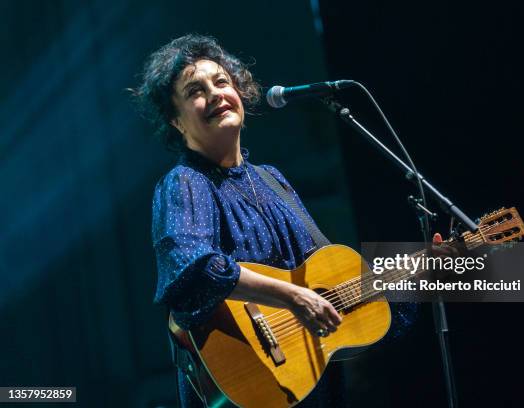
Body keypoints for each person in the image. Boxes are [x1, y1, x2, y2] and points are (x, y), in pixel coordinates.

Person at [133, 34, 416, 408]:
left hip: (311, 386)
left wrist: (422, 267)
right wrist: (292, 296)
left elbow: (329, 283)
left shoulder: (271, 179)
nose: (216, 94)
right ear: (176, 121)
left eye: (222, 82)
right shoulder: (186, 182)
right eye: (195, 91)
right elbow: (192, 269)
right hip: (248, 382)